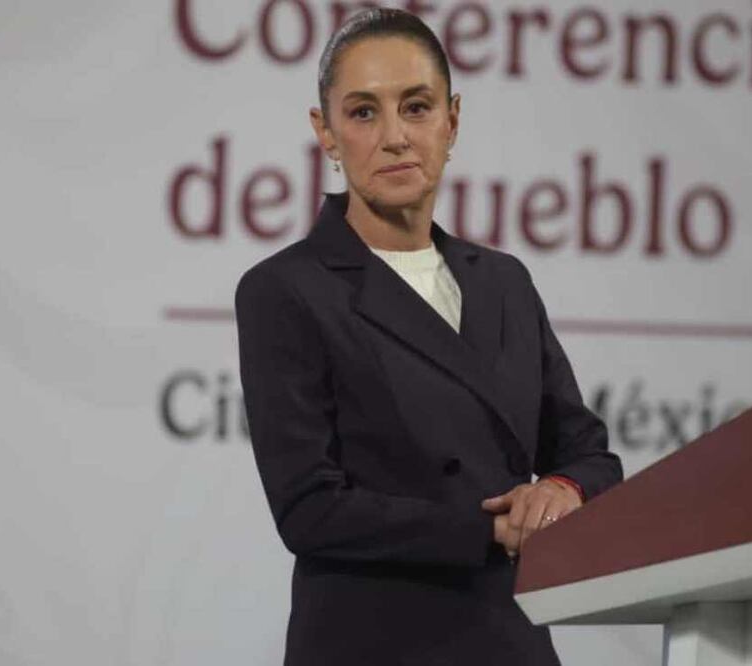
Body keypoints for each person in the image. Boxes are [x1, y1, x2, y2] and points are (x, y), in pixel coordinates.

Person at [234, 8, 623, 665]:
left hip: (507, 640)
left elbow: (588, 454)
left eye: (416, 108)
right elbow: (309, 509)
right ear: (325, 132)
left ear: (452, 120)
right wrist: (487, 529)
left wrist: (561, 490)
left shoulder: (503, 281)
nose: (394, 137)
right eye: (363, 113)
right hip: (372, 643)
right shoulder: (286, 289)